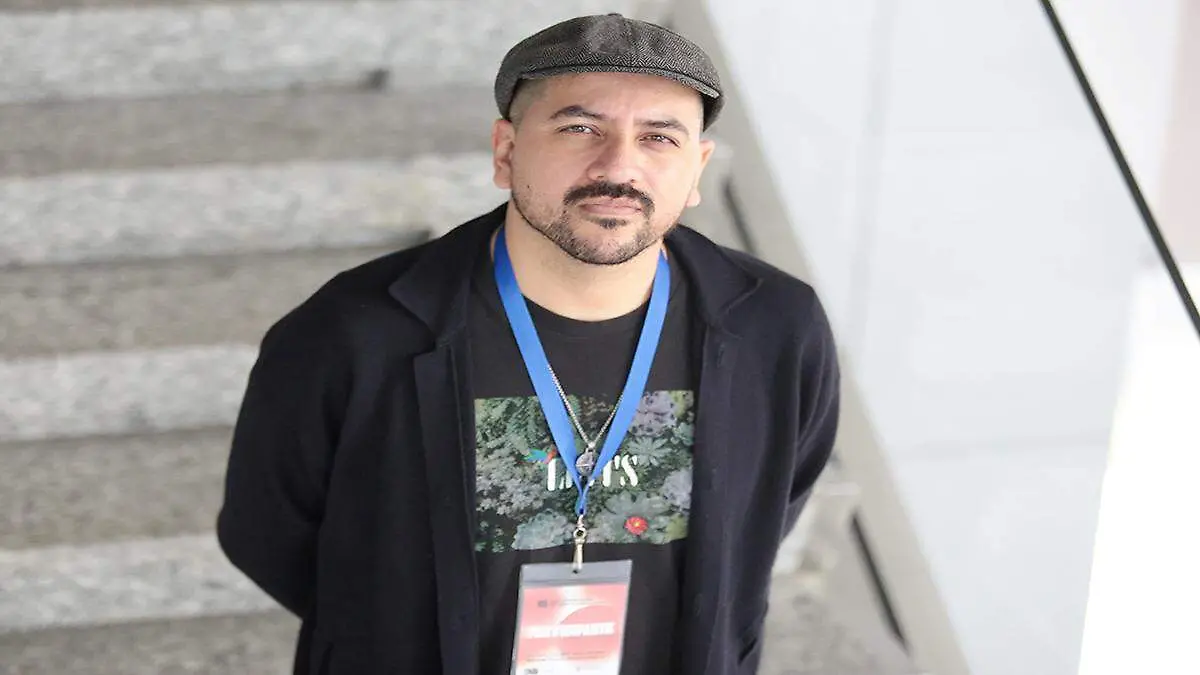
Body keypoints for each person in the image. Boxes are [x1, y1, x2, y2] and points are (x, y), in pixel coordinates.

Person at [217, 12, 840, 675]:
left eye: (659, 137)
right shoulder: (357, 331)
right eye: (580, 129)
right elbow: (268, 534)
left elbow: (761, 520)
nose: (619, 166)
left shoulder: (776, 327)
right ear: (506, 152)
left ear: (696, 171)